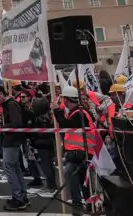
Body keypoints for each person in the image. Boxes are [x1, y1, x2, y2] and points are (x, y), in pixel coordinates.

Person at [52, 85, 97, 216]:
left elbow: (66, 124)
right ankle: (89, 203)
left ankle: (78, 204)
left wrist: (57, 111)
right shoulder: (79, 112)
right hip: (82, 151)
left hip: (80, 151)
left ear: (66, 100)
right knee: (83, 179)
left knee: (69, 174)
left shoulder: (79, 114)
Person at [0, 84, 29, 211]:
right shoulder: (9, 104)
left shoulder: (11, 105)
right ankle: (22, 195)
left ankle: (18, 197)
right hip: (12, 139)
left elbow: (16, 123)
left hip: (12, 140)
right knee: (15, 167)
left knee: (9, 167)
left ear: (1, 93)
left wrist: (2, 126)